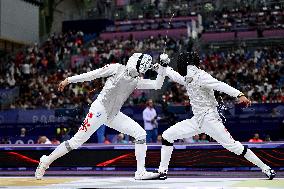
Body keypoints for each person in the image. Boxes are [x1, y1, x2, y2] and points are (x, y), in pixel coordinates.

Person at [35, 53, 169, 180]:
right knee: (76, 142)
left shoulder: (136, 81)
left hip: (113, 115)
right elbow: (93, 74)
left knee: (140, 134)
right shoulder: (116, 68)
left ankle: (140, 172)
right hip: (99, 110)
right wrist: (69, 80)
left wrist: (162, 67)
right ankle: (46, 161)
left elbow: (157, 85)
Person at [151, 51, 276, 180]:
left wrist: (239, 94)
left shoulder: (201, 76)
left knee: (234, 146)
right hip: (197, 120)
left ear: (186, 64)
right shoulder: (188, 76)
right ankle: (162, 171)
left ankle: (266, 168)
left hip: (210, 119)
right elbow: (175, 76)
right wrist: (160, 68)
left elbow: (219, 85)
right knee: (167, 136)